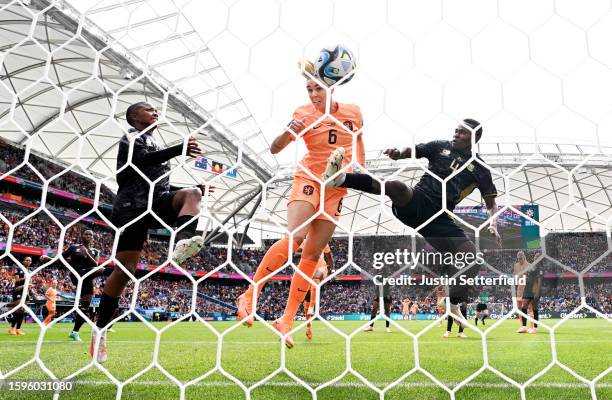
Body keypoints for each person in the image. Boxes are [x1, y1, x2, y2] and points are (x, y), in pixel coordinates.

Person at [324, 119, 501, 337]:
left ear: (474, 138)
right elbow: (415, 150)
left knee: (472, 258)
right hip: (417, 202)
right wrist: (399, 153)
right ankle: (340, 178)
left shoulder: (480, 168)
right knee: (396, 187)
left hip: (440, 219)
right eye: (455, 130)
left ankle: (453, 304)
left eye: (462, 133)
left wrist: (493, 222)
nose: (456, 134)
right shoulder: (440, 146)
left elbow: (491, 202)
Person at [236, 59, 365, 348]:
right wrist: (288, 130)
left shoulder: (354, 113)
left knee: (312, 254)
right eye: (308, 89)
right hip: (308, 179)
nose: (312, 95)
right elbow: (276, 147)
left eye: (317, 88)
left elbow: (359, 147)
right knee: (295, 237)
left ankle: (286, 320)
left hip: (336, 188)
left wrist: (359, 168)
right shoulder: (303, 113)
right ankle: (250, 294)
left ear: (332, 86)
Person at [90, 102, 205, 363]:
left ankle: (184, 242)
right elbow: (139, 163)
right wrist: (179, 149)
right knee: (125, 271)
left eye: (156, 109)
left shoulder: (153, 141)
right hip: (131, 208)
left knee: (193, 194)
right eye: (148, 109)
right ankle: (101, 328)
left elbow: (156, 183)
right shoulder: (131, 136)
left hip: (155, 202)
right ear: (134, 116)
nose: (156, 112)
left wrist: (190, 185)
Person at [41, 230, 106, 341]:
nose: (89, 235)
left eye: (91, 234)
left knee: (85, 307)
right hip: (76, 275)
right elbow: (61, 259)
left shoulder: (95, 251)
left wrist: (87, 253)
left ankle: (75, 332)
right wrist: (49, 259)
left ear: (93, 238)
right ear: (82, 235)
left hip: (87, 279)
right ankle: (114, 273)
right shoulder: (73, 248)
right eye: (86, 233)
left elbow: (95, 264)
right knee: (101, 270)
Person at [303, 242, 333, 340]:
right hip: (308, 271)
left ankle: (312, 306)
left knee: (315, 280)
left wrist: (332, 270)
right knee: (306, 301)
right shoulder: (304, 241)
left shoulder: (323, 240)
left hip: (322, 269)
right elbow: (295, 252)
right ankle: (309, 327)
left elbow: (329, 256)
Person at [514, 251, 535, 332]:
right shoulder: (516, 266)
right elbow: (515, 277)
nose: (520, 260)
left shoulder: (530, 266)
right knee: (520, 308)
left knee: (530, 308)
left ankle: (532, 327)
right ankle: (523, 326)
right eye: (518, 259)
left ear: (524, 257)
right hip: (519, 289)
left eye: (521, 258)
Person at [518, 263, 543, 334]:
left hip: (534, 289)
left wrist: (537, 292)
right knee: (524, 306)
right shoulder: (528, 268)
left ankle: (535, 328)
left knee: (534, 308)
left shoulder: (539, 269)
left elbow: (539, 280)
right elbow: (524, 274)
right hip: (527, 289)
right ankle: (524, 326)